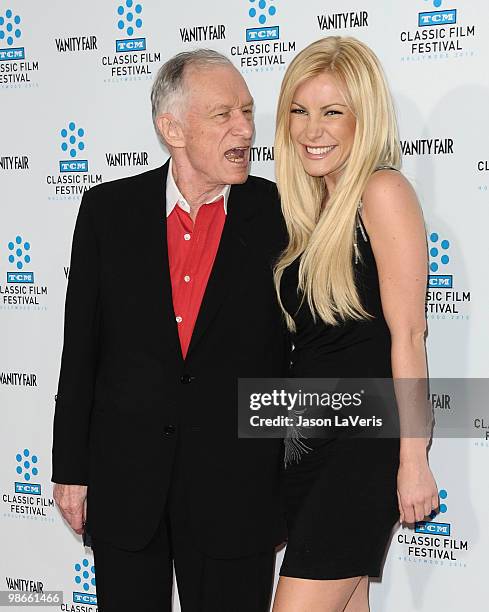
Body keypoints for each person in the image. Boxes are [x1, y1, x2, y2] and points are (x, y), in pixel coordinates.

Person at [51, 49, 289, 612]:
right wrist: (69, 468)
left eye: (249, 112)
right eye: (223, 114)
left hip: (237, 491)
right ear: (171, 127)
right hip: (125, 483)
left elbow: (302, 354)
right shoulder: (107, 211)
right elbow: (80, 350)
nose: (245, 129)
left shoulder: (280, 213)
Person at [271, 37, 438, 612]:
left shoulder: (381, 192)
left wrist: (413, 460)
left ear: (363, 119)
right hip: (305, 444)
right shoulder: (308, 208)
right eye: (300, 110)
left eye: (332, 111)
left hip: (361, 447)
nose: (312, 129)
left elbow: (409, 336)